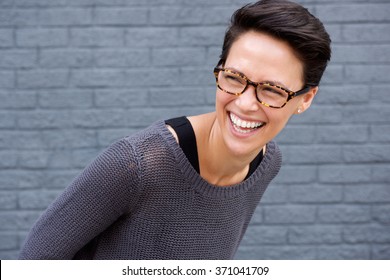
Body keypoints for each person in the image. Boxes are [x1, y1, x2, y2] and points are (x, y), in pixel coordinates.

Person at [19, 0, 331, 260]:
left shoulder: (267, 163)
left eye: (273, 89)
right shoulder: (136, 165)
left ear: (305, 99)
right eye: (235, 77)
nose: (245, 104)